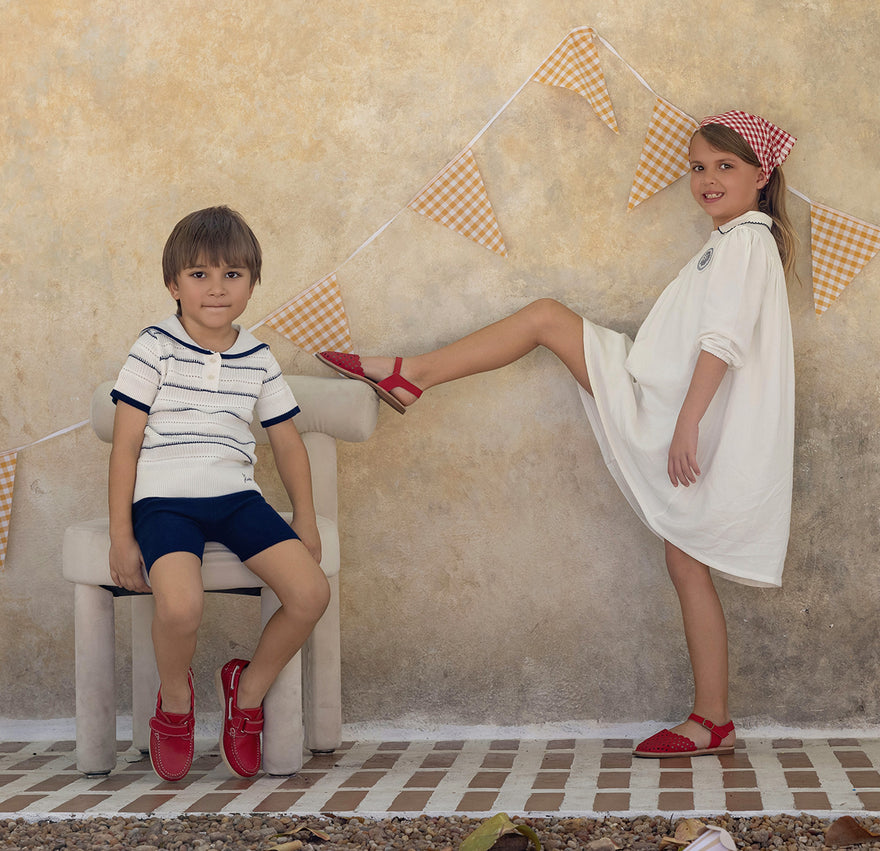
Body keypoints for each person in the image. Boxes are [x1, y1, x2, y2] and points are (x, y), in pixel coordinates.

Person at [319, 111, 796, 758]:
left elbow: (722, 342)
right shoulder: (731, 240)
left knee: (546, 319)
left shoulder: (744, 241)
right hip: (660, 396)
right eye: (697, 166)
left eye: (725, 166)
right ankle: (712, 717)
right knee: (684, 561)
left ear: (760, 175)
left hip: (674, 414)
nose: (707, 179)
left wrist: (685, 423)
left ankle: (412, 374)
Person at [108, 205, 330, 781]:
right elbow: (125, 448)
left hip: (235, 498)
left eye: (232, 275)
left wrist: (305, 520)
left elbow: (286, 444)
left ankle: (246, 690)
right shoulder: (153, 345)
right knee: (181, 605)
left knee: (310, 593)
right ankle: (176, 700)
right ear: (172, 283)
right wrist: (121, 536)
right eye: (200, 274)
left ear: (252, 284)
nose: (216, 288)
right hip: (163, 501)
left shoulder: (256, 356)